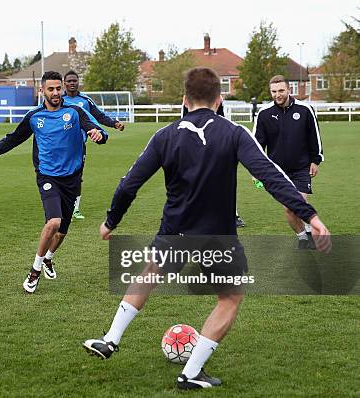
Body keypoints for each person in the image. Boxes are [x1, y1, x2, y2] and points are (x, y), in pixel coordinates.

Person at [82, 67, 331, 389]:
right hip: (218, 236)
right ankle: (191, 372)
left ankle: (110, 339)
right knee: (229, 298)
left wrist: (111, 221)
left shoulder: (165, 135)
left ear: (184, 100)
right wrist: (310, 216)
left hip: (174, 231)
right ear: (219, 99)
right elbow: (271, 177)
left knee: (149, 274)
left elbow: (129, 184)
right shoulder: (234, 133)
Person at [0, 71, 107, 294]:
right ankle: (34, 272)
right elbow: (13, 138)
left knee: (62, 231)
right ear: (42, 91)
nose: (55, 93)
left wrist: (99, 135)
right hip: (47, 176)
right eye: (51, 89)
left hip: (72, 178)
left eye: (58, 88)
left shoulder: (75, 111)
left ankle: (48, 259)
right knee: (53, 221)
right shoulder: (34, 116)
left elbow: (95, 129)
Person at [253, 75, 324, 249]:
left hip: (301, 167)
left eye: (281, 91)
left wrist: (316, 160)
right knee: (289, 208)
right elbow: (256, 145)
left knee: (298, 202)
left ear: (288, 90)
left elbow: (314, 136)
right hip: (277, 171)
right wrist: (256, 170)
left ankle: (307, 230)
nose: (278, 95)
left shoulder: (305, 109)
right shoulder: (264, 114)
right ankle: (303, 237)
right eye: (274, 91)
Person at [62, 70, 124, 220]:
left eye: (74, 81)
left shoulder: (85, 101)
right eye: (69, 81)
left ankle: (75, 209)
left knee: (77, 177)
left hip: (78, 145)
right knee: (59, 175)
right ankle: (60, 205)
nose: (72, 83)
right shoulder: (59, 99)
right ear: (64, 83)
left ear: (78, 82)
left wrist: (114, 124)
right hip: (59, 145)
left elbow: (99, 116)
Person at [183, 99, 246, 228]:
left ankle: (233, 215)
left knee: (223, 184)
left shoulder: (216, 102)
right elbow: (184, 121)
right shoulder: (190, 101)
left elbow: (223, 121)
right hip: (197, 150)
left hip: (216, 149)